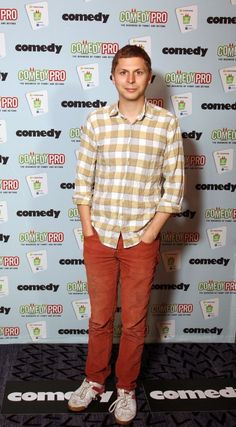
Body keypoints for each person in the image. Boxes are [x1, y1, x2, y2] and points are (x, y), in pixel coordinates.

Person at [68, 44, 184, 425]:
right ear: (113, 76)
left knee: (133, 322)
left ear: (149, 78)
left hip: (140, 240)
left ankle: (126, 389)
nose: (130, 79)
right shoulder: (97, 121)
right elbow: (83, 181)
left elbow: (175, 189)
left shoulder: (166, 124)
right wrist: (89, 230)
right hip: (99, 235)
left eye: (138, 72)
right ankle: (94, 380)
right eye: (123, 72)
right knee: (100, 318)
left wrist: (150, 234)